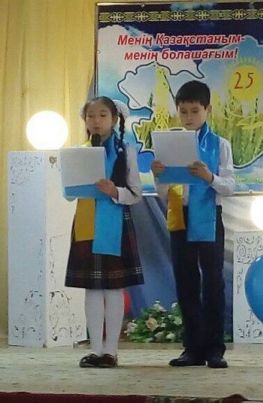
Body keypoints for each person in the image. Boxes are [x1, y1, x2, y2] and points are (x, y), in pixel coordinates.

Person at [151, 80, 234, 368]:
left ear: (208, 110)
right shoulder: (169, 144)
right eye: (183, 111)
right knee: (186, 281)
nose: (188, 117)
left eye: (195, 111)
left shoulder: (220, 145)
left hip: (209, 216)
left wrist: (209, 177)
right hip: (180, 216)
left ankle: (214, 348)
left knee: (213, 282)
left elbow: (230, 187)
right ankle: (192, 348)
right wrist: (159, 176)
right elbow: (164, 193)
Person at [65, 96, 143, 368]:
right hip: (87, 223)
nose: (96, 121)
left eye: (102, 115)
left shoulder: (126, 151)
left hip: (115, 223)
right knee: (92, 289)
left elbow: (136, 194)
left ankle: (111, 351)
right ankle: (95, 350)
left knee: (113, 289)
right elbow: (68, 194)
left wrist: (115, 191)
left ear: (114, 119)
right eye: (91, 116)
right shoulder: (79, 152)